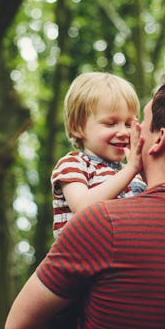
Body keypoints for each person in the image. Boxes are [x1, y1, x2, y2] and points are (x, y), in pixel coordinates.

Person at [5, 70, 165, 329]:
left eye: (138, 123)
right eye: (111, 124)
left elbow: (17, 326)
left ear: (159, 140)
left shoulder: (107, 224)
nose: (129, 133)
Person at [51, 71, 146, 239]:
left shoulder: (136, 175)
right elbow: (82, 207)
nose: (123, 132)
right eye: (110, 124)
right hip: (83, 261)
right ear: (77, 127)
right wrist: (131, 169)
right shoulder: (73, 164)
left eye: (129, 124)